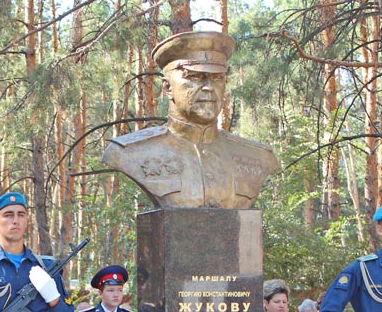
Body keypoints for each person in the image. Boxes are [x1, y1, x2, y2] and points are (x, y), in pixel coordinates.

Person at [101, 30, 278, 210]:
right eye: (195, 77)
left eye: (217, 77)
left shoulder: (258, 156)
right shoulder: (129, 152)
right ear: (167, 87)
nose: (209, 87)